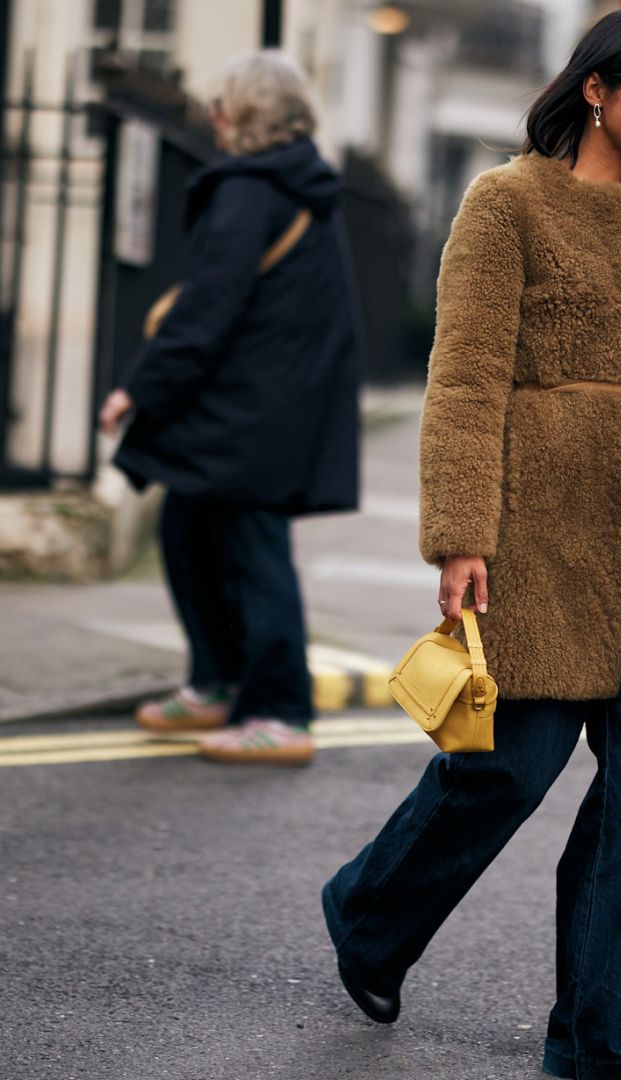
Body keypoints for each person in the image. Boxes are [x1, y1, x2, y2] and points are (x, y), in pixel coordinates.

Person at [322, 11, 621, 1079]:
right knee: (508, 770)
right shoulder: (506, 204)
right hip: (543, 537)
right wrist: (460, 536)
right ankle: (368, 913)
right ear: (595, 88)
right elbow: (463, 381)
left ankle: (597, 1035)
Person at [99, 51, 360, 766]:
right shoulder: (297, 185)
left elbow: (206, 311)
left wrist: (137, 388)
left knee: (253, 551)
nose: (211, 118)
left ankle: (280, 711)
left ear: (244, 112)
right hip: (274, 401)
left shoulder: (252, 190)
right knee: (188, 526)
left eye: (220, 104)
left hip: (254, 411)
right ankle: (218, 682)